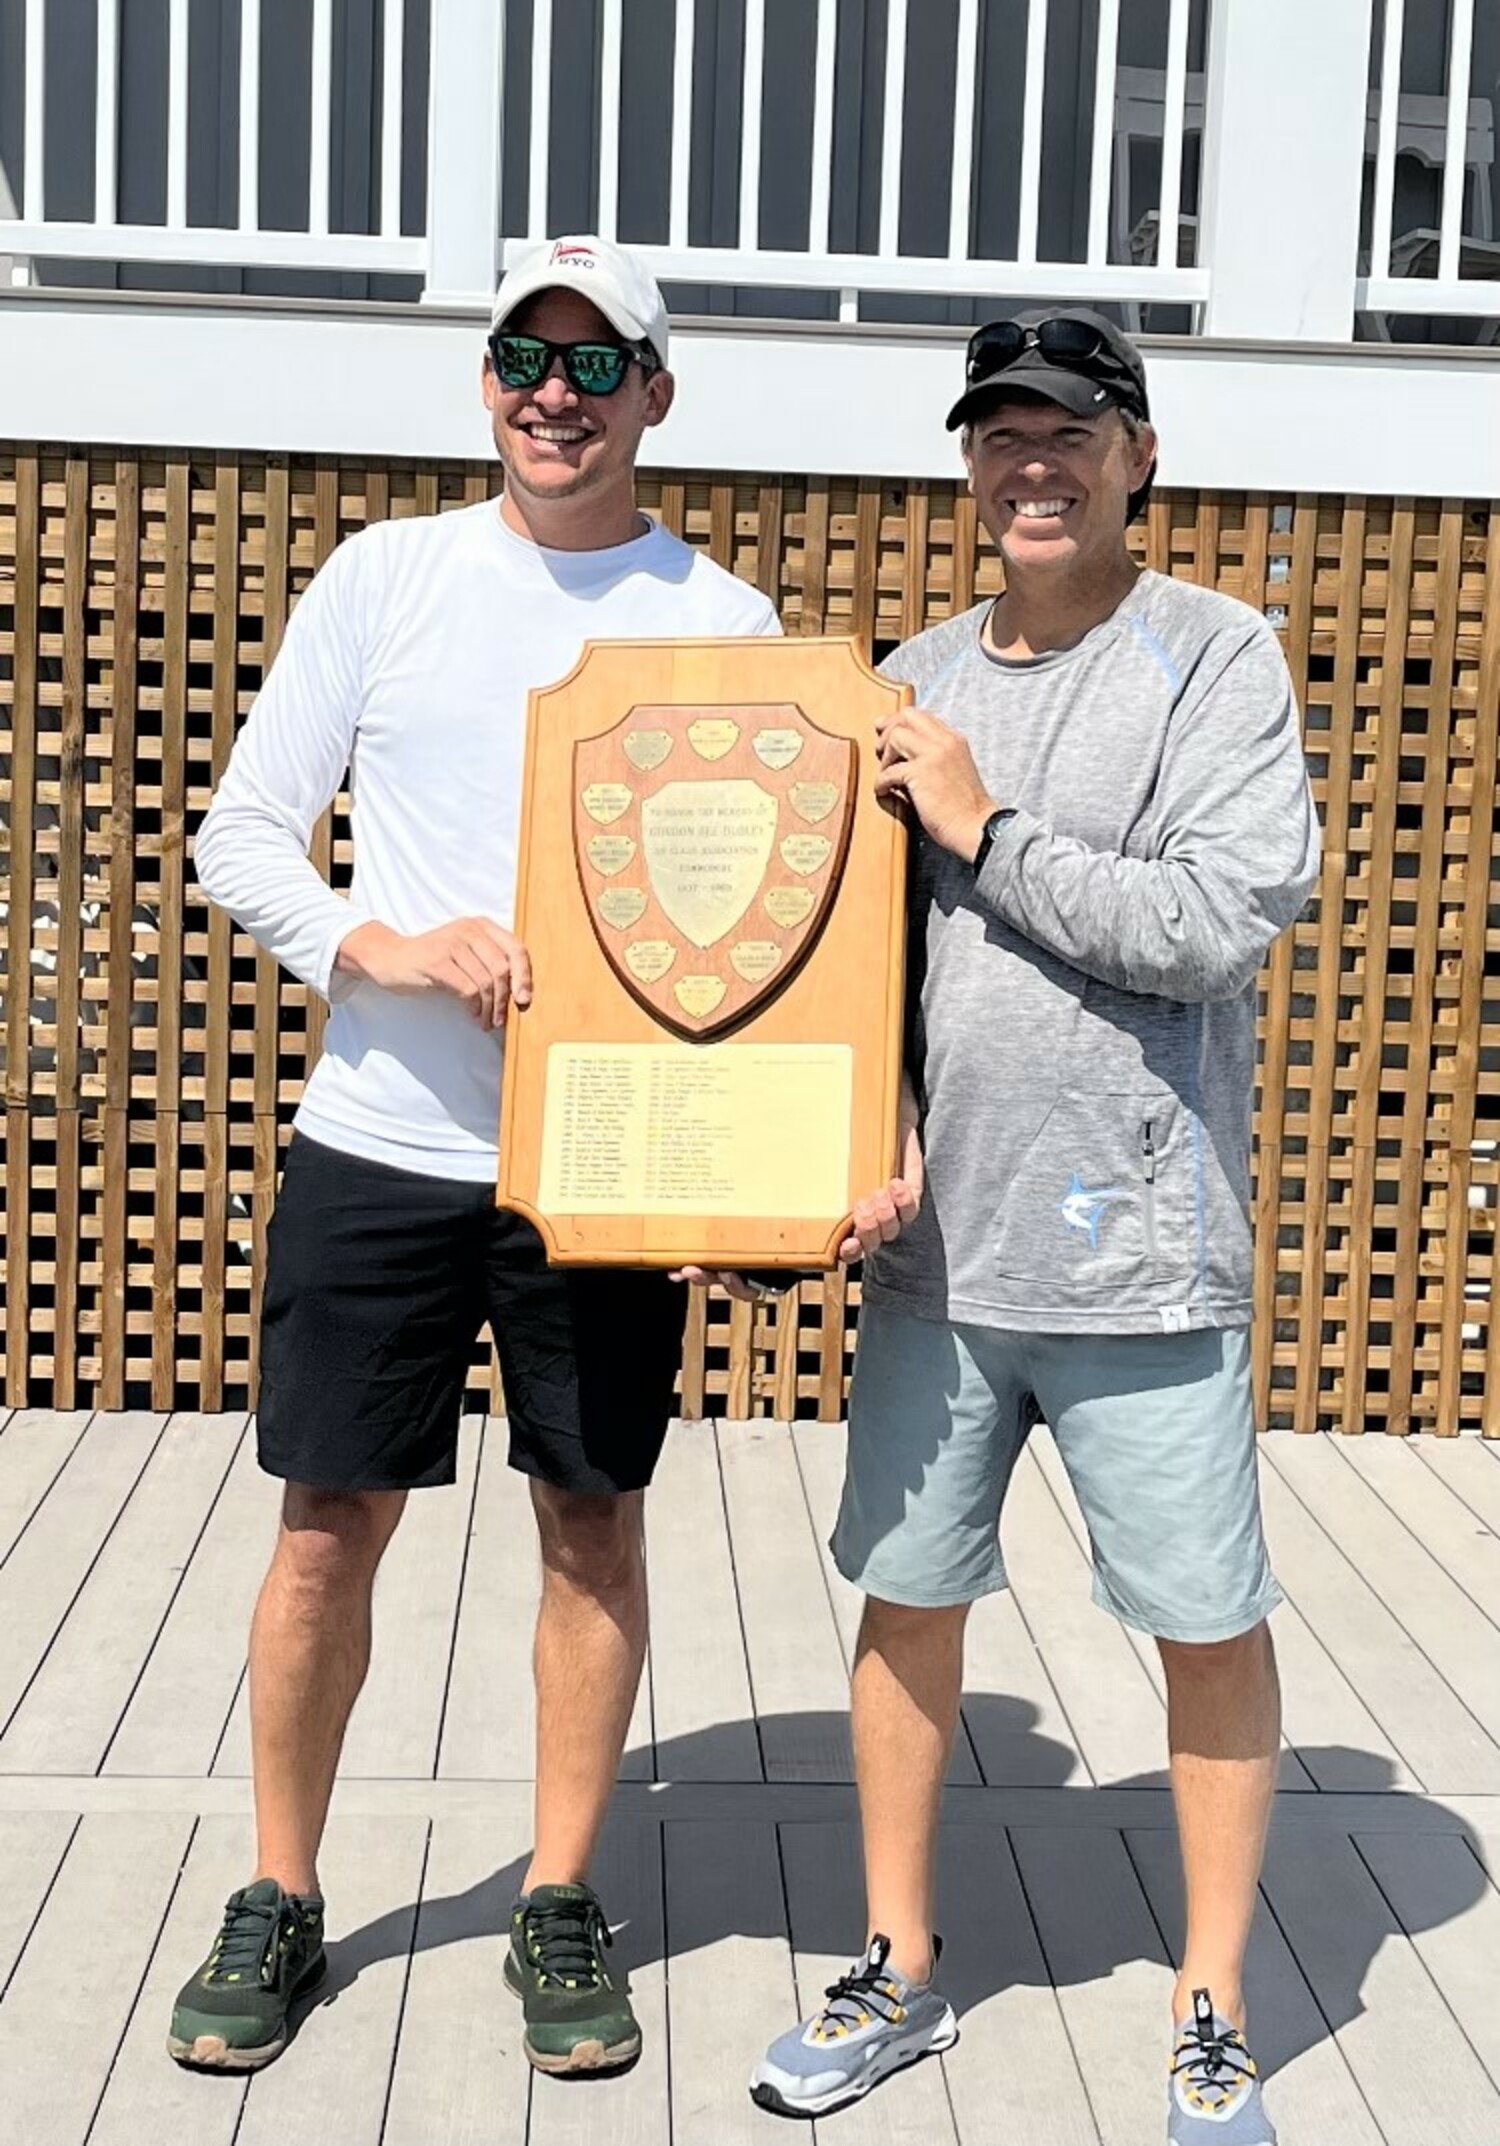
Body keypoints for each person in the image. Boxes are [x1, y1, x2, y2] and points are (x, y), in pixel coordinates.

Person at [172, 234, 796, 2081]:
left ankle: (562, 1893)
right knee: (320, 1533)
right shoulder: (388, 575)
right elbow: (245, 835)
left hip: (599, 1163)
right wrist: (383, 943)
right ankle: (283, 1892)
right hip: (382, 1141)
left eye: (599, 368)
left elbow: (756, 931)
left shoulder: (725, 622)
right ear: (488, 380)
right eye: (527, 353)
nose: (555, 391)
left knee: (592, 1521)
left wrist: (732, 1162)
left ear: (657, 401)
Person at [751, 310, 1319, 2146]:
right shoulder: (906, 676)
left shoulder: (1215, 660)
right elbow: (860, 972)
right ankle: (899, 1963)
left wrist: (985, 827)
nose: (1031, 465)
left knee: (1204, 1618)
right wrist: (862, 1121)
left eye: (1069, 431)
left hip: (1143, 1251)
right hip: (938, 1254)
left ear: (1139, 454)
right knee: (906, 1601)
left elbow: (1215, 924)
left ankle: (1214, 1995)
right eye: (1000, 434)